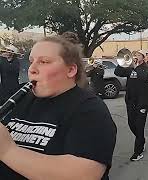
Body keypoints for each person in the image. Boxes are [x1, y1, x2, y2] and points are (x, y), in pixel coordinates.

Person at [0, 35, 117, 180]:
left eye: (44, 62)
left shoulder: (91, 109)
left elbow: (84, 174)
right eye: (31, 61)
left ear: (71, 70)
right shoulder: (22, 98)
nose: (32, 69)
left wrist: (8, 151)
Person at [114, 50, 148, 161]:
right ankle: (142, 139)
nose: (135, 56)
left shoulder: (145, 68)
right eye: (135, 55)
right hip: (130, 101)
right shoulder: (130, 69)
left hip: (142, 102)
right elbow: (117, 72)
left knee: (139, 127)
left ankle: (137, 152)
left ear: (143, 57)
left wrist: (134, 67)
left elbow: (145, 78)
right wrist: (123, 64)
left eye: (138, 55)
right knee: (131, 124)